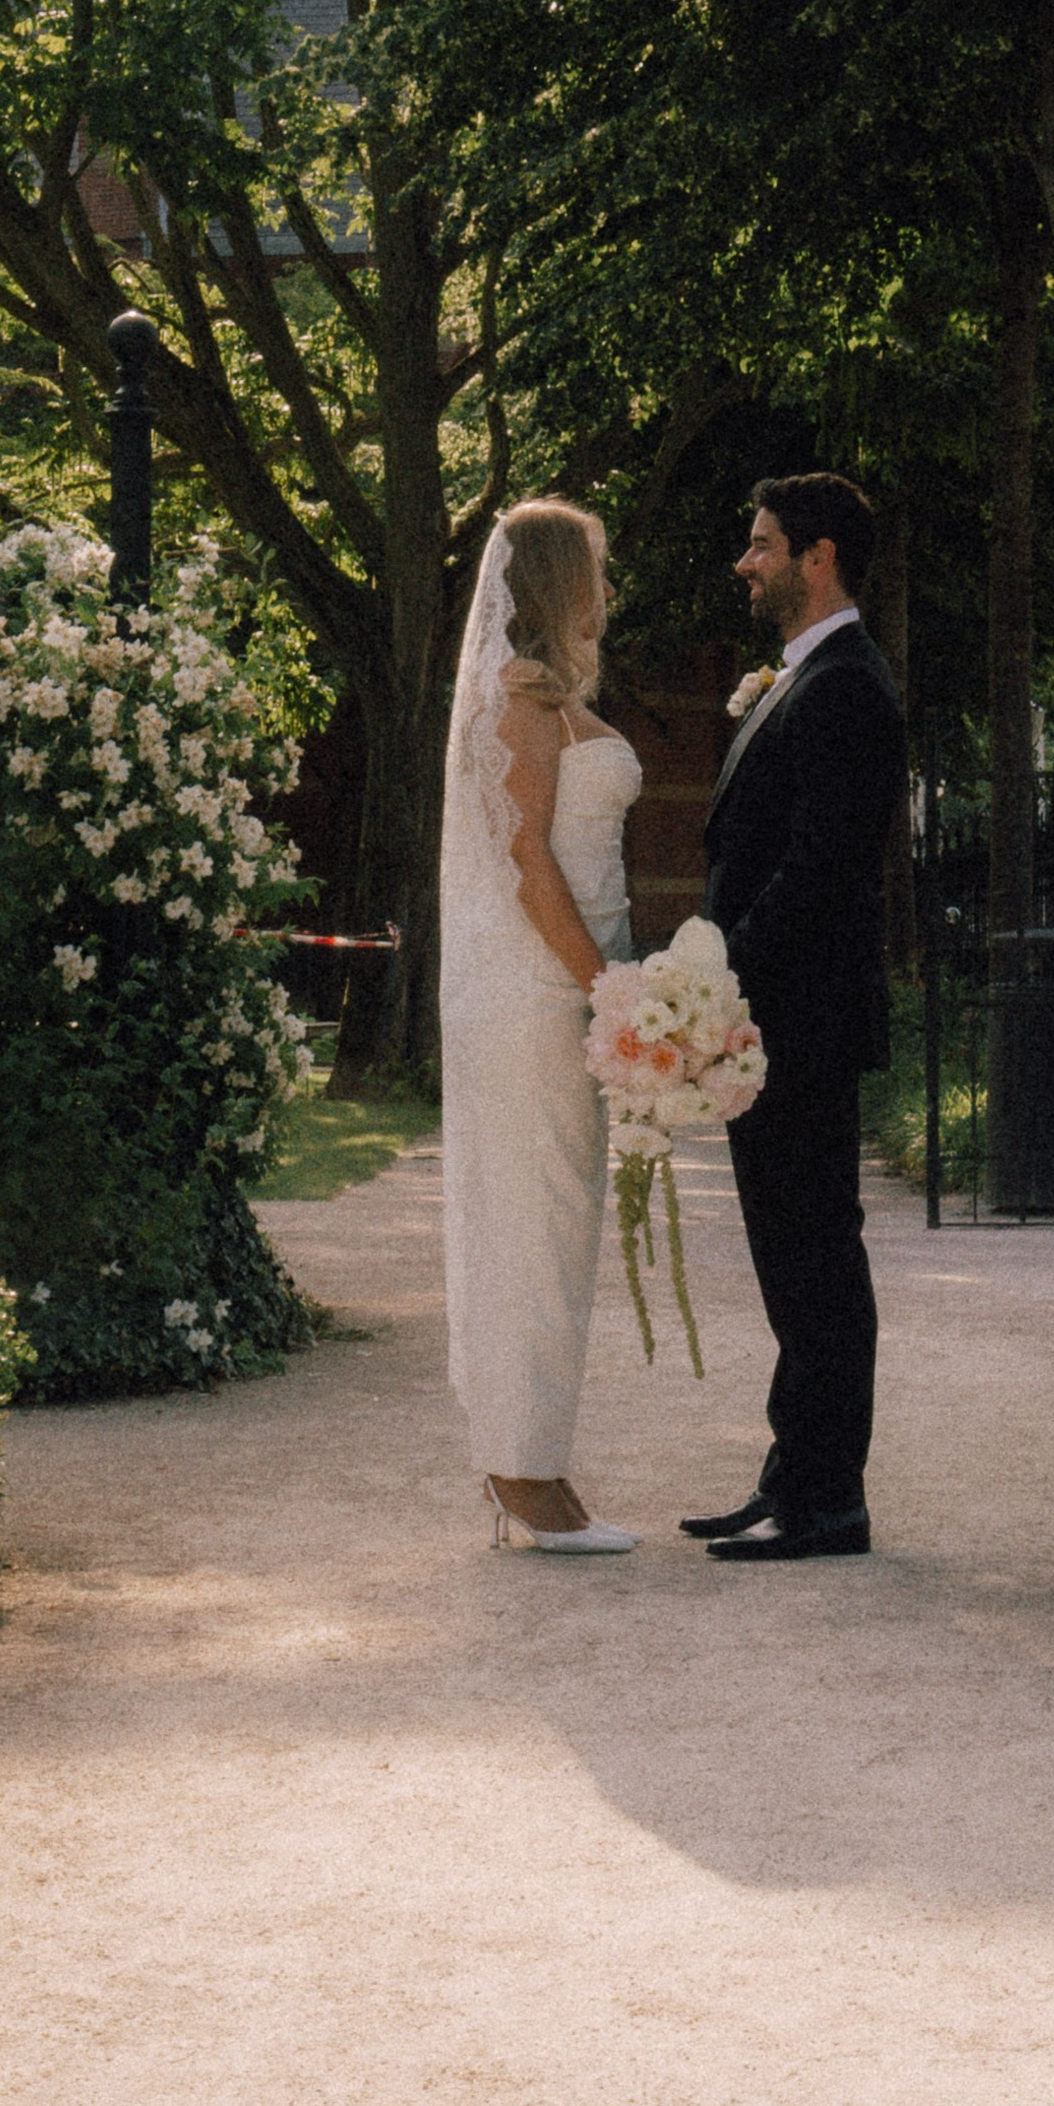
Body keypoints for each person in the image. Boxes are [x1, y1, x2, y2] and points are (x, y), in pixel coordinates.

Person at [683, 473, 906, 1562]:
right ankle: (793, 1474)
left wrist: (717, 975)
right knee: (790, 1257)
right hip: (773, 1018)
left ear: (817, 557)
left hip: (799, 1022)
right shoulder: (803, 676)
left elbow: (819, 868)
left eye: (762, 544)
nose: (745, 562)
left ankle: (828, 1502)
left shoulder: (847, 685)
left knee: (814, 1258)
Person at [440, 498, 643, 1554]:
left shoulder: (553, 700)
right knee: (533, 1228)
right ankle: (521, 1475)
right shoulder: (519, 699)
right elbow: (526, 863)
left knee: (559, 1232)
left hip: (566, 998)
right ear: (560, 579)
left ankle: (533, 1461)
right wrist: (607, 987)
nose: (607, 589)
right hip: (535, 1001)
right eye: (596, 569)